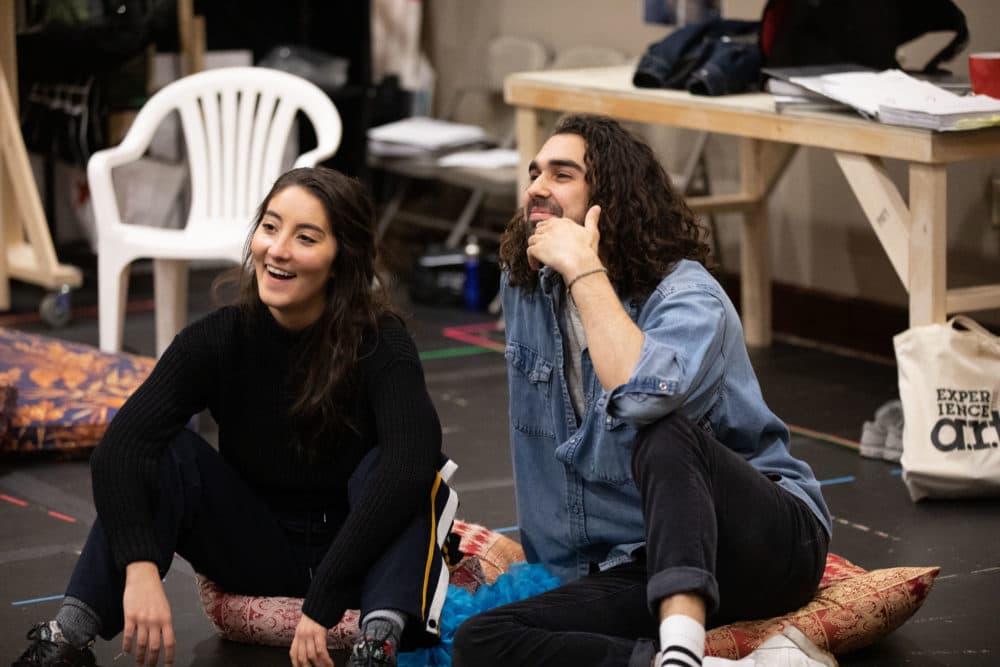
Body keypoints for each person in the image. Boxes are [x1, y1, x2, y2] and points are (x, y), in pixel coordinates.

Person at [12, 167, 456, 667]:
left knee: (402, 466)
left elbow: (409, 464)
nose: (278, 249)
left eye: (305, 237)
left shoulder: (380, 342)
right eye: (270, 227)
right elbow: (121, 448)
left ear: (341, 260)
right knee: (167, 451)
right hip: (257, 548)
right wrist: (137, 566)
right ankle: (68, 637)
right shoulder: (219, 338)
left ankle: (377, 645)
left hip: (359, 554)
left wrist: (326, 599)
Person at [451, 115, 834, 667]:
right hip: (638, 560)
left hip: (764, 543)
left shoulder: (688, 297)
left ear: (610, 199)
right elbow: (542, 456)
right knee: (483, 641)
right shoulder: (528, 287)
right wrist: (563, 580)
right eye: (534, 173)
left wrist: (586, 269)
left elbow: (641, 396)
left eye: (562, 175)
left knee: (663, 434)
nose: (535, 187)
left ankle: (682, 648)